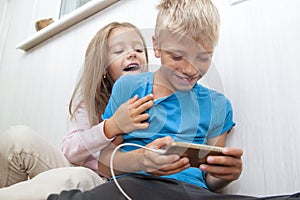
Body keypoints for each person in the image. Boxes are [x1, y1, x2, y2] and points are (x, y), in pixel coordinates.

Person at [47, 0, 300, 200]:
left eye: (203, 57)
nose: (190, 69)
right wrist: (141, 161)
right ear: (156, 47)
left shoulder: (219, 106)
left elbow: (211, 181)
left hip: (194, 193)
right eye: (177, 56)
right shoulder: (128, 87)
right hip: (135, 185)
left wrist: (225, 175)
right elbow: (105, 163)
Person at [0, 21, 153, 199]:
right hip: (76, 167)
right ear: (103, 67)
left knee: (76, 176)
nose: (132, 54)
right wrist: (110, 127)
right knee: (17, 138)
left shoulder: (154, 101)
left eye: (139, 50)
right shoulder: (90, 103)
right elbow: (70, 151)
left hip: (104, 182)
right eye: (119, 51)